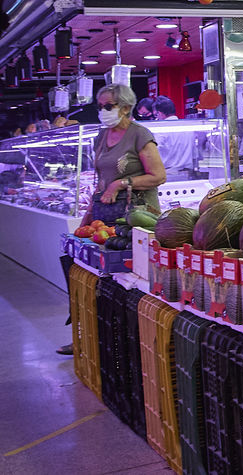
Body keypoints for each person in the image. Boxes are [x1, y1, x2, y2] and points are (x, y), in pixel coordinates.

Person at [56, 84, 166, 354]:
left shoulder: (140, 135)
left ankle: (123, 345)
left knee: (127, 283)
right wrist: (87, 217)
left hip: (136, 217)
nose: (102, 111)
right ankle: (87, 336)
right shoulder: (101, 136)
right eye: (100, 106)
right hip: (104, 217)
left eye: (108, 106)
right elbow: (100, 181)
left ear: (126, 108)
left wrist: (120, 184)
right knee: (83, 273)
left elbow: (158, 175)